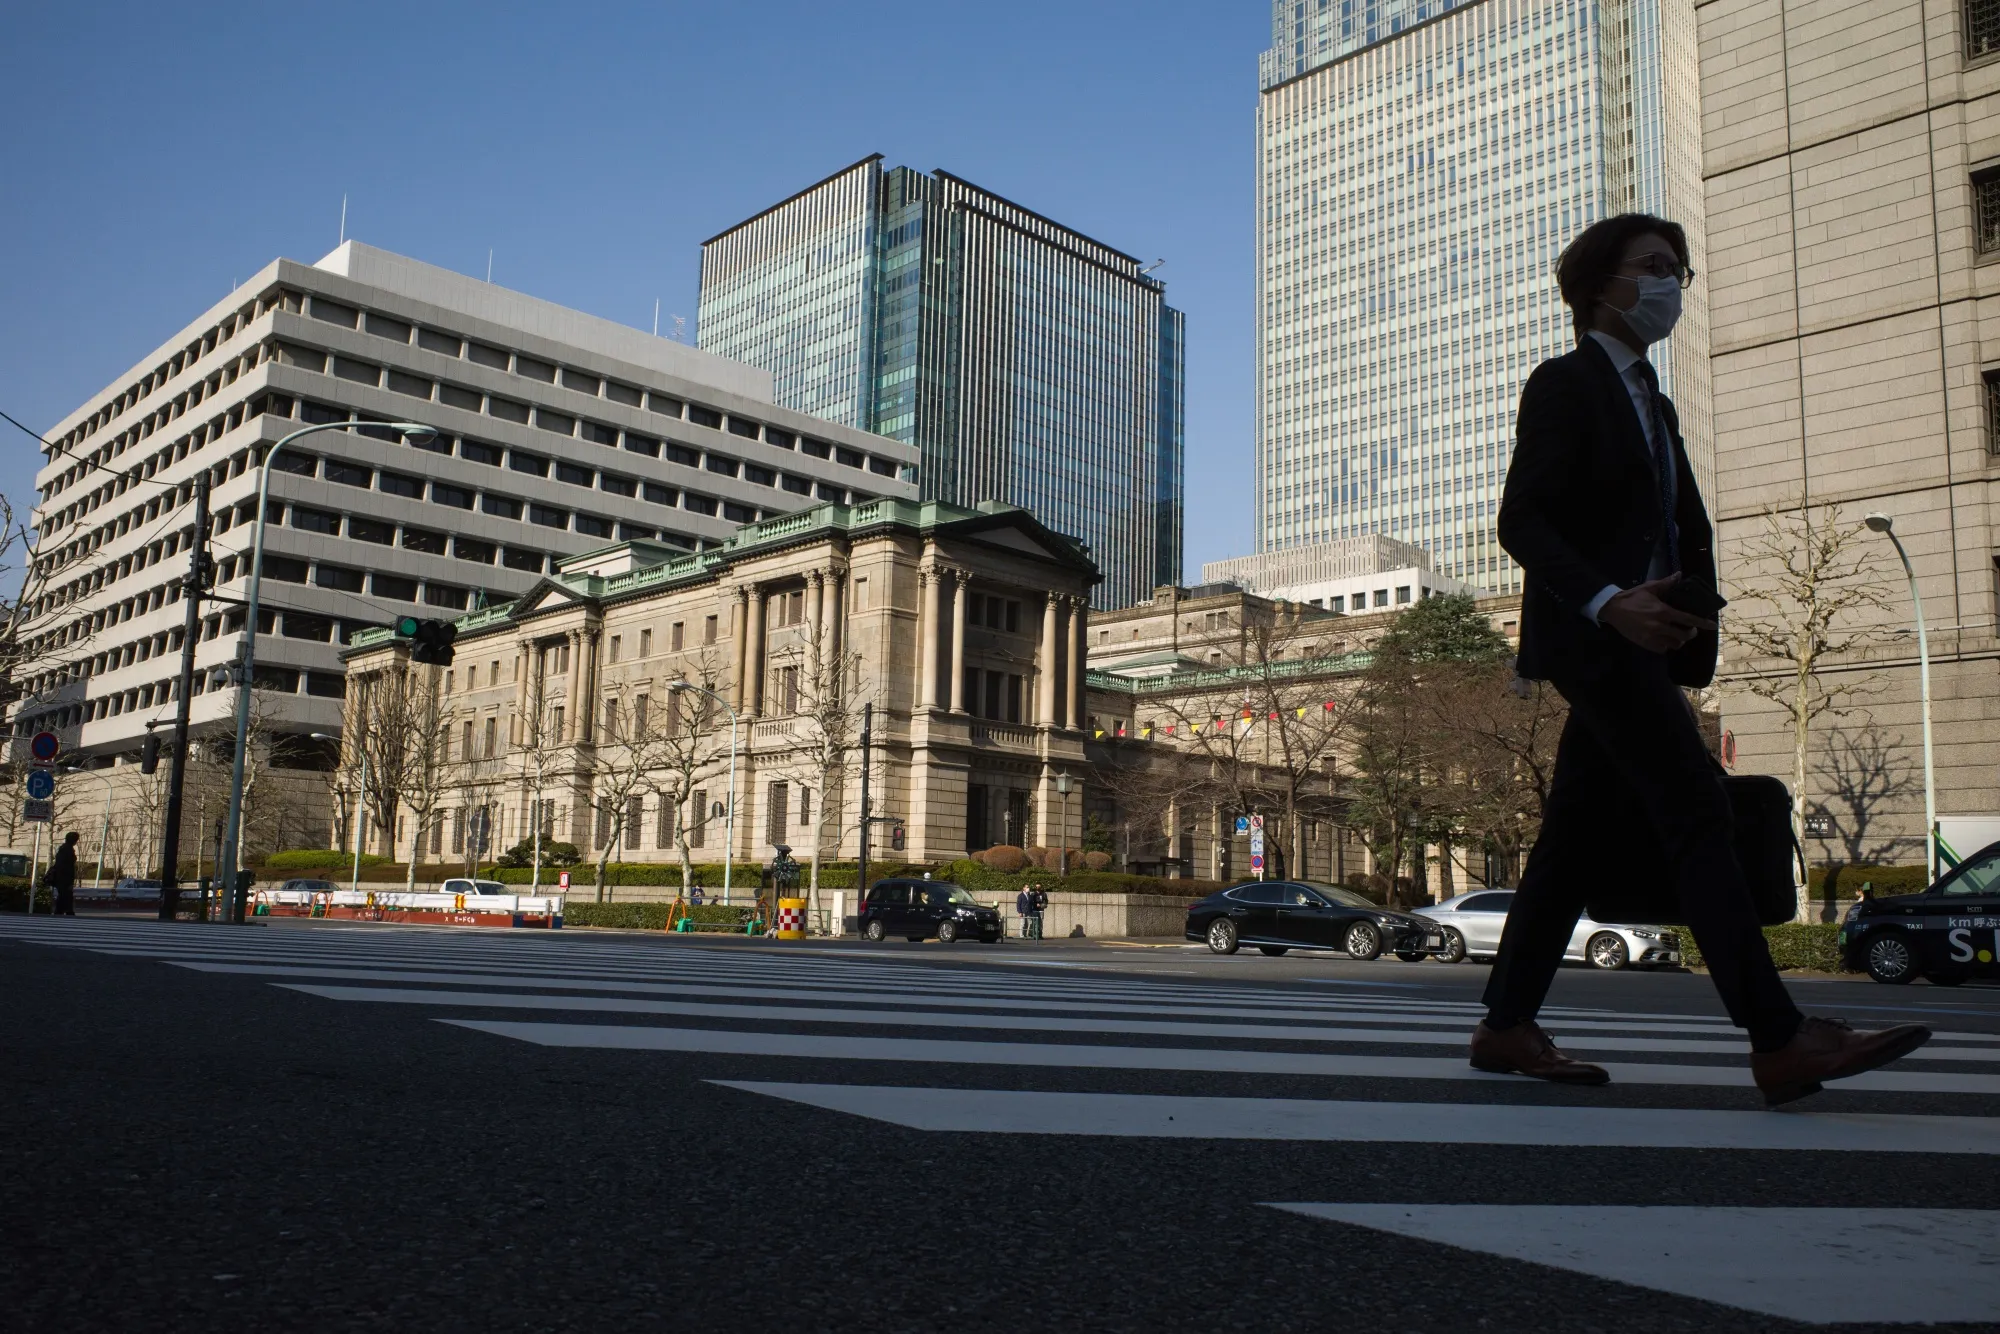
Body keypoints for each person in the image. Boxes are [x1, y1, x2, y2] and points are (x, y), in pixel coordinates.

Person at [1478, 212, 1932, 1107]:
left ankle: (1505, 1025)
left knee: (1572, 842)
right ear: (1598, 285)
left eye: (1677, 270)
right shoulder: (1565, 383)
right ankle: (1779, 1037)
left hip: (1648, 643)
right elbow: (1521, 519)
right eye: (1653, 266)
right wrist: (1611, 601)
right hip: (1600, 640)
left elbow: (1676, 527)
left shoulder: (1655, 402)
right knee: (1697, 813)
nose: (1670, 285)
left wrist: (1685, 615)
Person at [45, 831, 80, 917]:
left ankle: (61, 911)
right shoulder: (67, 850)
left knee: (63, 895)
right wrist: (69, 881)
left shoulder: (63, 849)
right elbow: (67, 867)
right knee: (66, 895)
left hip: (60, 877)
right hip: (64, 878)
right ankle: (67, 912)